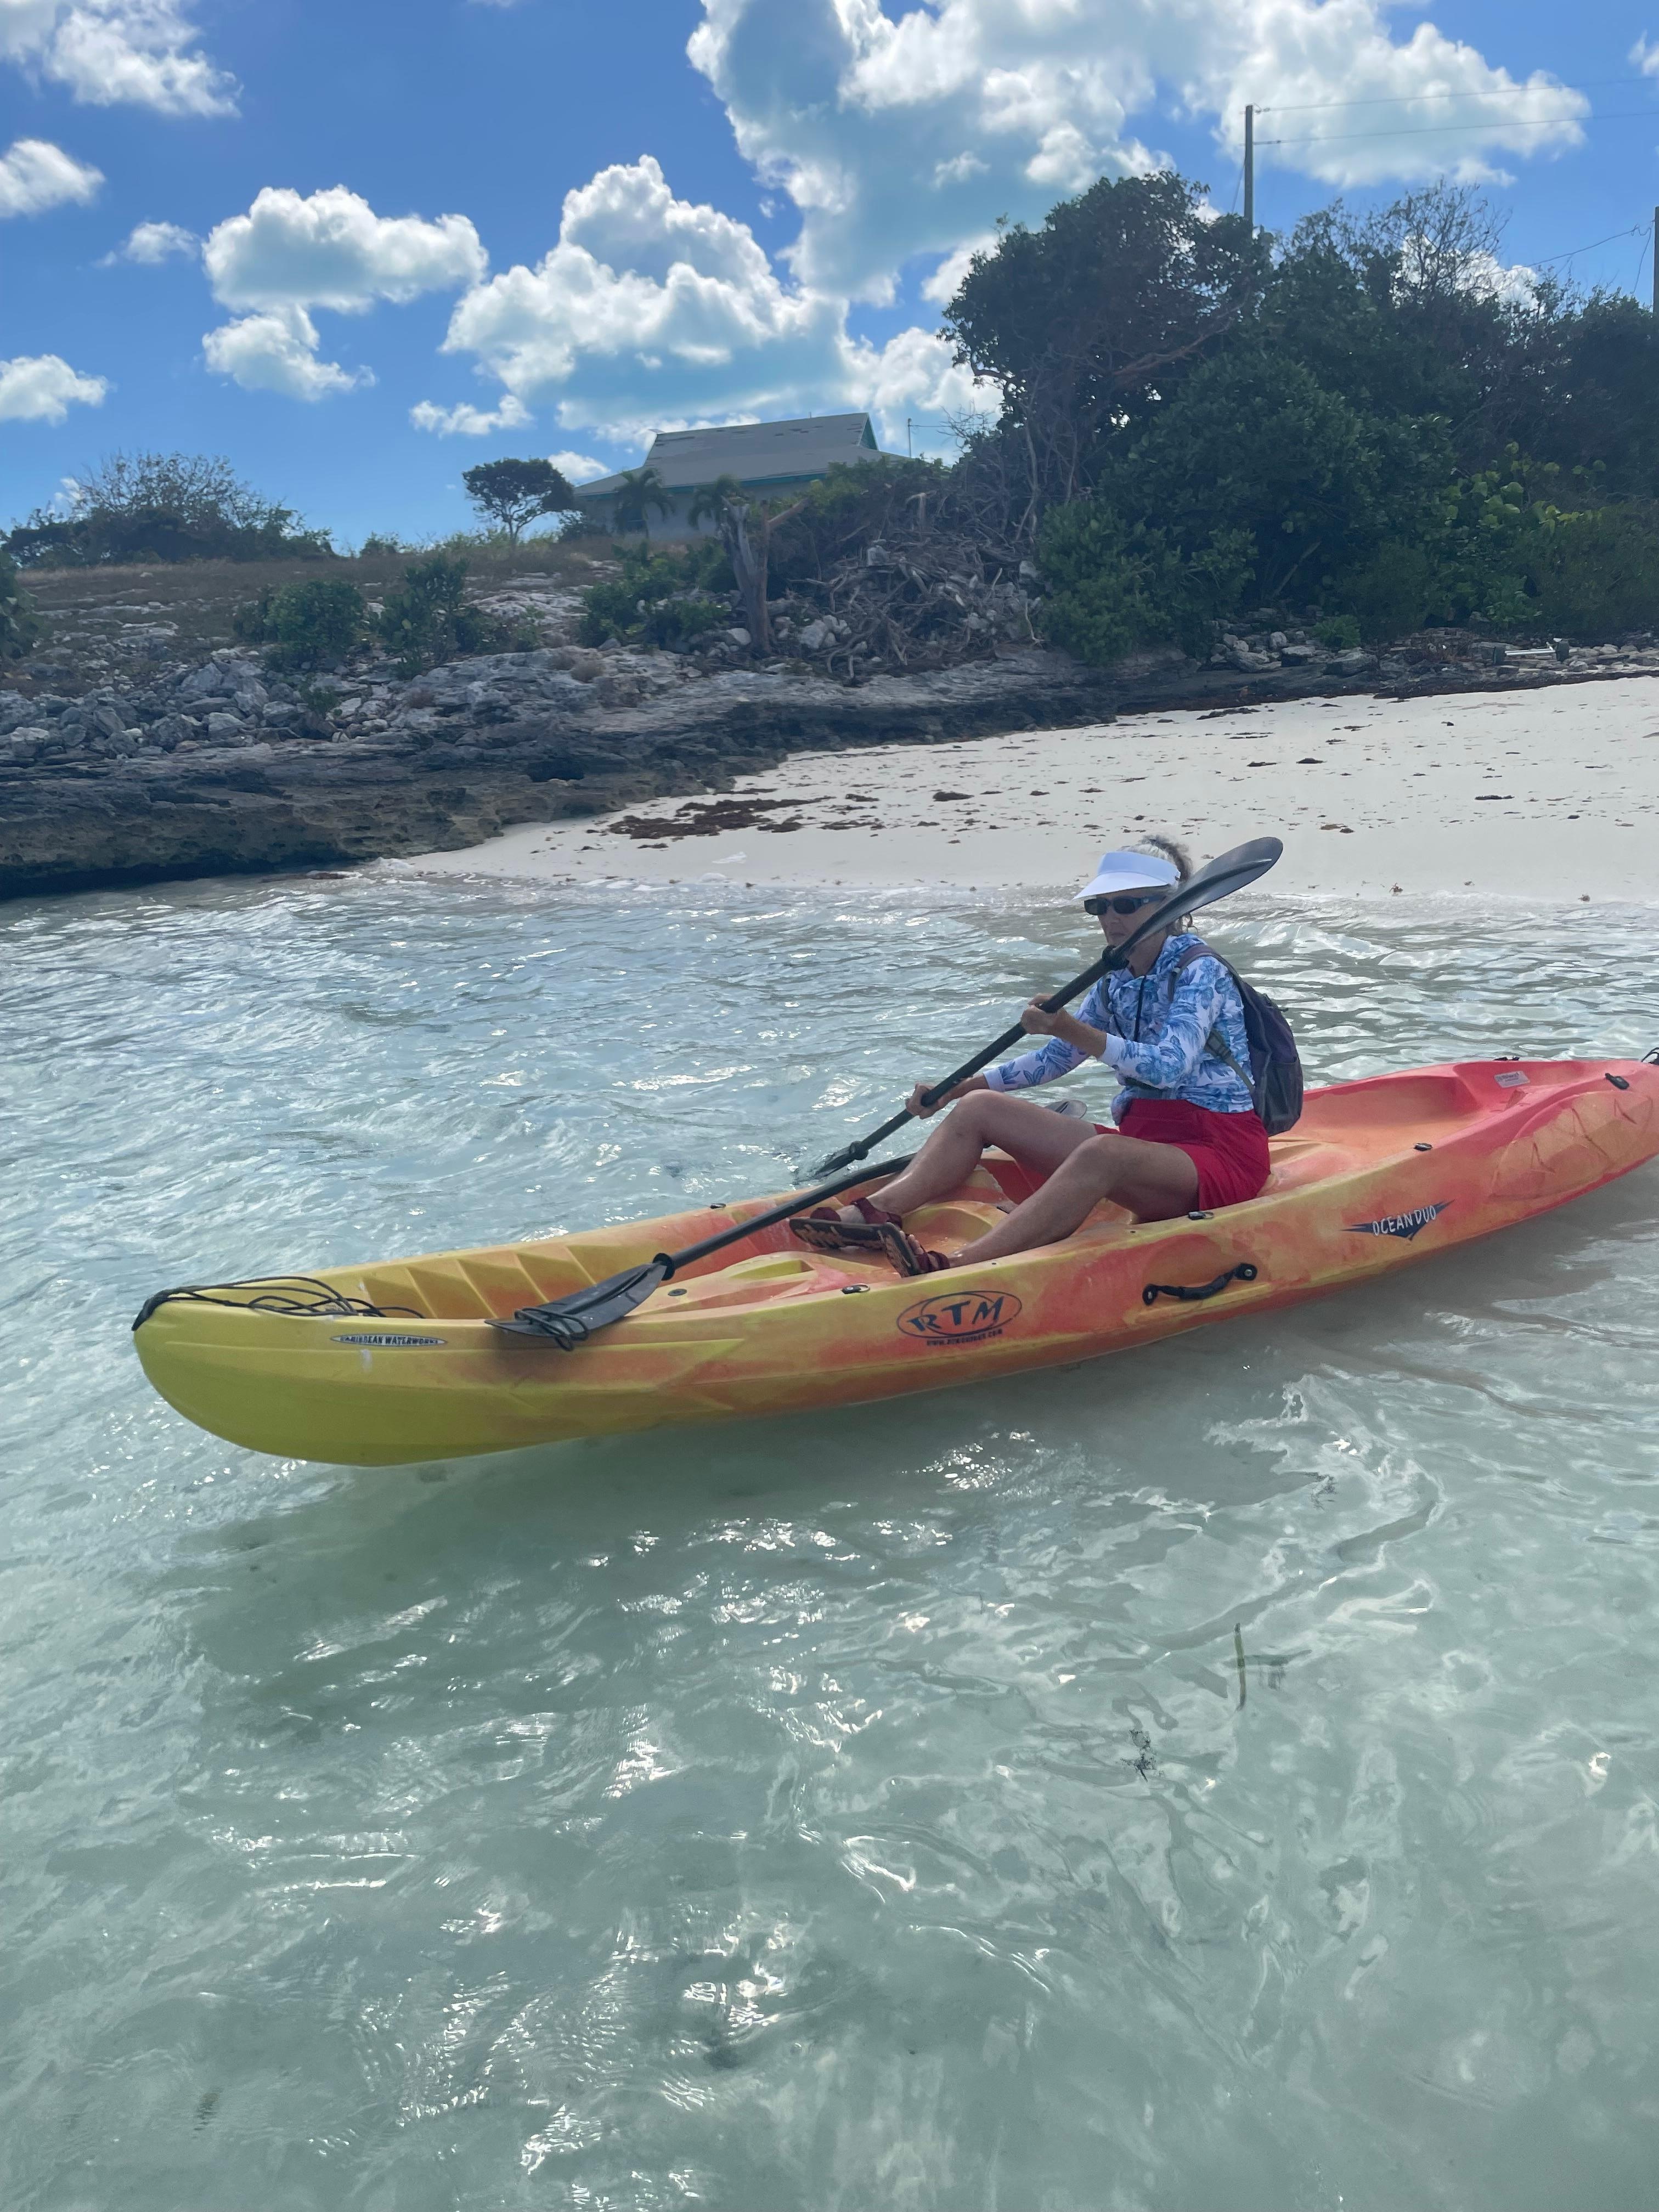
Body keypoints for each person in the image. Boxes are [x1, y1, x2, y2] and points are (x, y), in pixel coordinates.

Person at [800, 837, 1272, 1276]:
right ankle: (873, 1213)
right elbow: (1058, 1057)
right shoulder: (1115, 977)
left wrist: (1070, 1025)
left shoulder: (1200, 971)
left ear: (1169, 906)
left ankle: (959, 1266)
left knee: (1102, 1153)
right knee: (980, 1109)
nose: (1111, 918)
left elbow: (1169, 1065)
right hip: (1149, 1142)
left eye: (1127, 904)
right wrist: (962, 1089)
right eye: (1099, 906)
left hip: (1219, 1153)